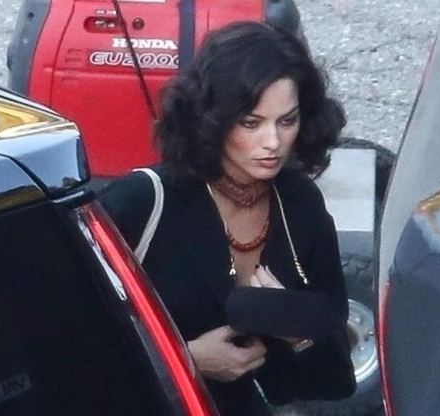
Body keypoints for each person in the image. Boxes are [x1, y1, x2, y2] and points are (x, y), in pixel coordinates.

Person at [99, 21, 356, 415]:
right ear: (212, 119)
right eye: (251, 123)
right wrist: (185, 361)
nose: (273, 142)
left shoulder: (300, 204)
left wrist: (295, 330)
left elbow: (335, 379)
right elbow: (68, 345)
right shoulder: (143, 202)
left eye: (286, 121)